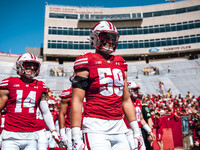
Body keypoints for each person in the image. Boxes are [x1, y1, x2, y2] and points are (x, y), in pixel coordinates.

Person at [71, 21, 141, 150]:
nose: (110, 41)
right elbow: (77, 100)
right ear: (95, 37)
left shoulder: (120, 62)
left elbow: (126, 100)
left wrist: (137, 130)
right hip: (95, 126)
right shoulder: (86, 60)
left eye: (113, 38)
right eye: (106, 37)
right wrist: (75, 135)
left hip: (119, 126)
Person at [0, 53, 59, 150]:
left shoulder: (40, 85)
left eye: (35, 65)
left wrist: (53, 131)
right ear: (20, 65)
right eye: (28, 64)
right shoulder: (9, 82)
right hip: (11, 136)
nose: (32, 67)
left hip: (31, 136)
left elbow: (45, 112)